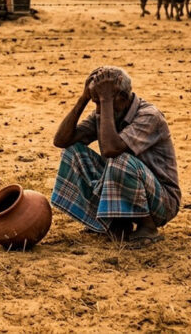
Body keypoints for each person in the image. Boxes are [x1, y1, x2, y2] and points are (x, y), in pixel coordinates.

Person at [51, 66, 181, 248]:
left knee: (119, 159)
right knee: (73, 151)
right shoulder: (105, 112)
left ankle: (148, 227)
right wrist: (84, 98)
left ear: (123, 98)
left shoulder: (149, 116)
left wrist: (105, 100)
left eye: (102, 102)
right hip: (129, 187)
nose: (98, 108)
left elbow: (111, 150)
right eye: (96, 102)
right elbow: (62, 141)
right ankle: (117, 222)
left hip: (162, 202)